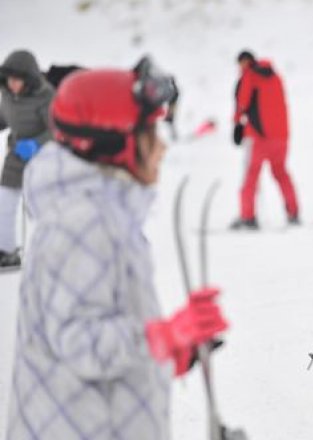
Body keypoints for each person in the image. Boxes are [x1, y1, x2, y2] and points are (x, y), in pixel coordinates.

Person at [5, 59, 229, 440]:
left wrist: (175, 349)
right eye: (149, 135)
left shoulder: (101, 212)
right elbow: (79, 342)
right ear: (114, 145)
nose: (161, 147)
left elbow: (105, 341)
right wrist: (165, 335)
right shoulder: (81, 222)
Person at [231, 50, 300, 229]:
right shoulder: (276, 76)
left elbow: (242, 102)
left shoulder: (250, 76)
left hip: (258, 137)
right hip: (281, 137)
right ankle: (293, 212)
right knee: (281, 173)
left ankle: (248, 217)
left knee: (251, 176)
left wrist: (237, 124)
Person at [0, 50, 54, 270]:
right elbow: (4, 117)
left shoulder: (47, 96)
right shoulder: (7, 94)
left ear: (29, 79)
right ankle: (6, 251)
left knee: (40, 207)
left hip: (42, 157)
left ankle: (53, 252)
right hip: (16, 155)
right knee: (4, 201)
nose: (12, 84)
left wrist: (36, 144)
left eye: (17, 80)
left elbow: (57, 130)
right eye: (9, 79)